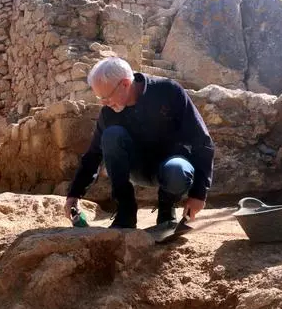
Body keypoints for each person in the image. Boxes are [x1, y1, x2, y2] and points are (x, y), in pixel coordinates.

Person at [64, 57, 214, 229]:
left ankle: (166, 209)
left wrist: (199, 194)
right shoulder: (109, 113)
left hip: (171, 167)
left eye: (105, 97)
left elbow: (202, 141)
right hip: (137, 170)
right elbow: (93, 156)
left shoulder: (168, 91)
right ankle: (125, 212)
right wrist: (73, 195)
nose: (103, 103)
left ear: (125, 84)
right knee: (111, 135)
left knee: (177, 171)